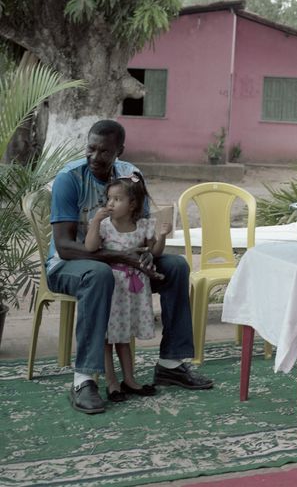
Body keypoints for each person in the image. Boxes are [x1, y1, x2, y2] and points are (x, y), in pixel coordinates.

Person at [48, 120, 213, 415]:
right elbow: (63, 246)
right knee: (99, 275)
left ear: (119, 151)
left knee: (175, 266)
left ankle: (171, 364)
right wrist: (118, 258)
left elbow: (144, 231)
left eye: (105, 151)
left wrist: (147, 254)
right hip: (71, 265)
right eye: (91, 148)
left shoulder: (130, 175)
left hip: (125, 262)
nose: (95, 157)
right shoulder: (69, 178)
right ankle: (84, 380)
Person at [84, 172, 167, 402]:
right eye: (108, 199)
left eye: (117, 199)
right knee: (108, 338)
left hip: (133, 290)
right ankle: (112, 383)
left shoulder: (142, 226)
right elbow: (90, 247)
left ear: (132, 204)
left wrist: (162, 236)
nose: (110, 203)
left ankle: (129, 379)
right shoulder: (105, 227)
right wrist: (95, 222)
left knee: (123, 337)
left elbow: (155, 252)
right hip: (112, 288)